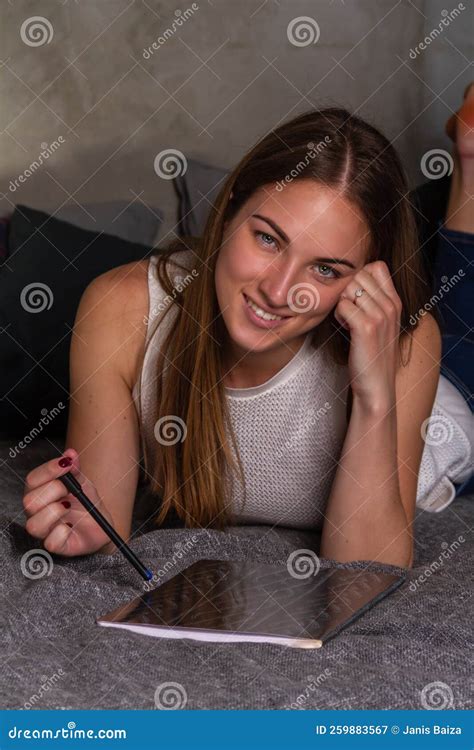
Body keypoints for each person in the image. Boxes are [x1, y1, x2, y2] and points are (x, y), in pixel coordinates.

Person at [22, 90, 473, 569]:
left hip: (450, 417)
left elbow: (366, 574)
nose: (279, 292)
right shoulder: (121, 308)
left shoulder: (405, 339)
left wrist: (375, 396)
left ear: (365, 281)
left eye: (326, 269)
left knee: (464, 336)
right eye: (267, 239)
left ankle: (468, 165)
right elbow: (102, 529)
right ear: (229, 209)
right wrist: (77, 526)